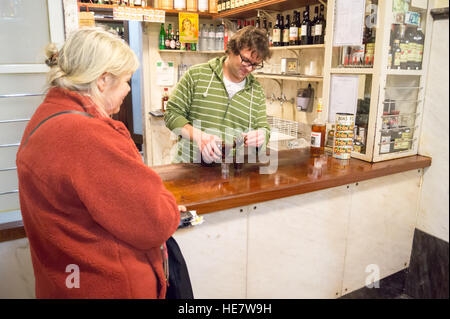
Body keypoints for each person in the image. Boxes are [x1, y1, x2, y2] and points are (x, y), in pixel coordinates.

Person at [16, 27, 181, 299]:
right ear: (103, 80)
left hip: (64, 283)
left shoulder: (45, 118)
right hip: (107, 286)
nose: (129, 89)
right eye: (127, 80)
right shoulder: (88, 136)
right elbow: (157, 221)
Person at [164, 26, 272, 164]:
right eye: (246, 60)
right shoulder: (196, 75)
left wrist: (262, 135)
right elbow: (171, 114)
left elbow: (263, 127)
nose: (249, 68)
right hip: (189, 168)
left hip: (232, 173)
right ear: (232, 50)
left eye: (255, 64)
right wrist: (199, 137)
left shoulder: (256, 90)